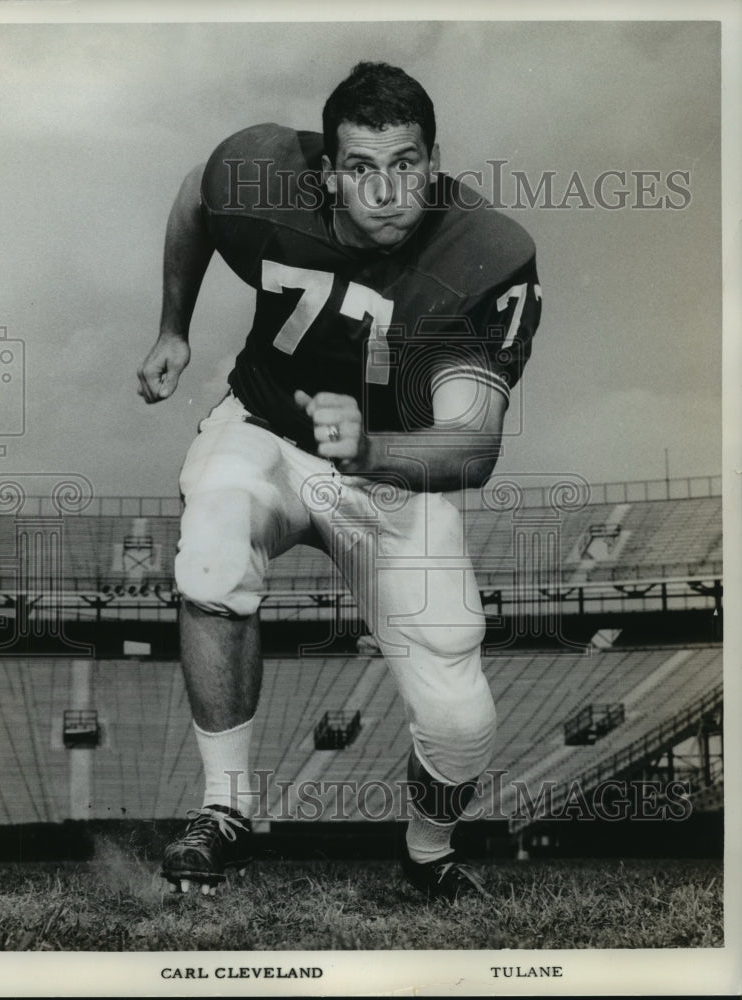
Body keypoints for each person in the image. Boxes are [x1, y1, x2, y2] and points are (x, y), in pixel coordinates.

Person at [137, 62, 541, 900]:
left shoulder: (480, 255)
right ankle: (225, 810)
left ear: (432, 160)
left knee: (460, 719)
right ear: (327, 172)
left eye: (406, 162)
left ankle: (428, 851)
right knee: (211, 541)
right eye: (362, 167)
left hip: (390, 477)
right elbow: (192, 199)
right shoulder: (261, 176)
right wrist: (172, 326)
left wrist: (370, 454)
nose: (388, 190)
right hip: (266, 430)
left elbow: (471, 447)